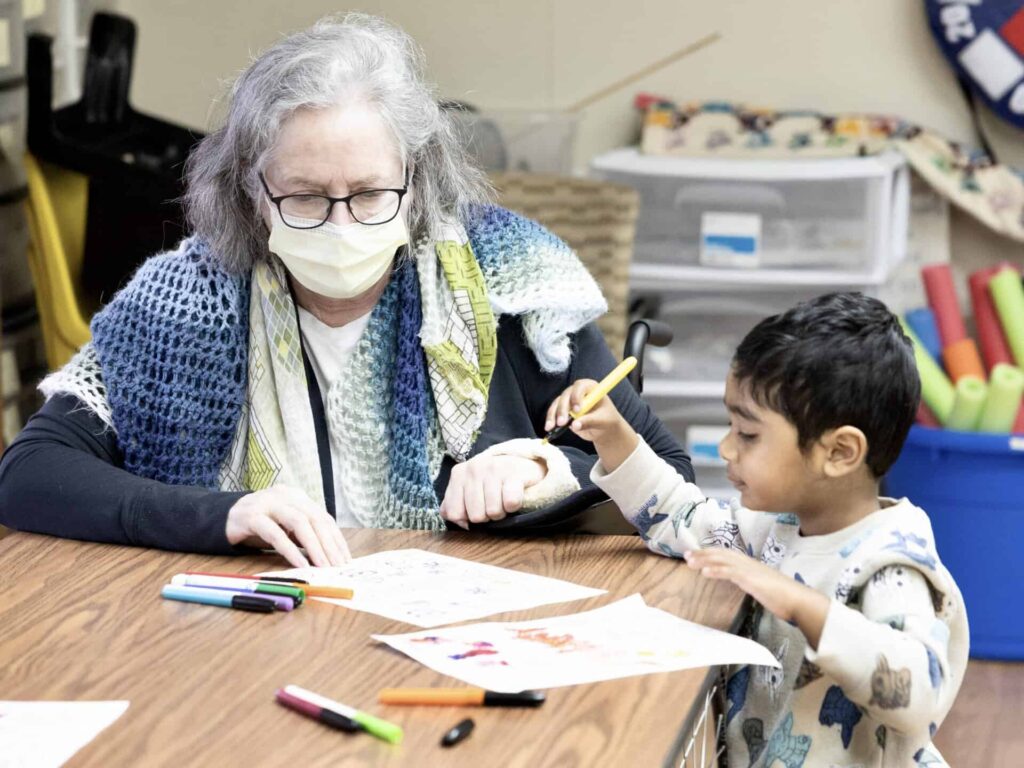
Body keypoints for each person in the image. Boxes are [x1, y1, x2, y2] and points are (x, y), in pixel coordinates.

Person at [0, 14, 690, 566]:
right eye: (303, 197)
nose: (339, 224)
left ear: (417, 182)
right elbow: (29, 474)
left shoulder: (510, 282)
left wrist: (550, 470)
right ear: (251, 192)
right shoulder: (181, 302)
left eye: (368, 194)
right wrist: (225, 514)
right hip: (243, 644)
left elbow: (668, 475)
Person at [547, 292, 968, 767]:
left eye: (748, 434)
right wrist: (614, 436)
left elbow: (922, 690)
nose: (726, 449)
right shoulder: (779, 526)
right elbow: (680, 517)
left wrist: (797, 601)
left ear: (840, 452)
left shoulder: (890, 563)